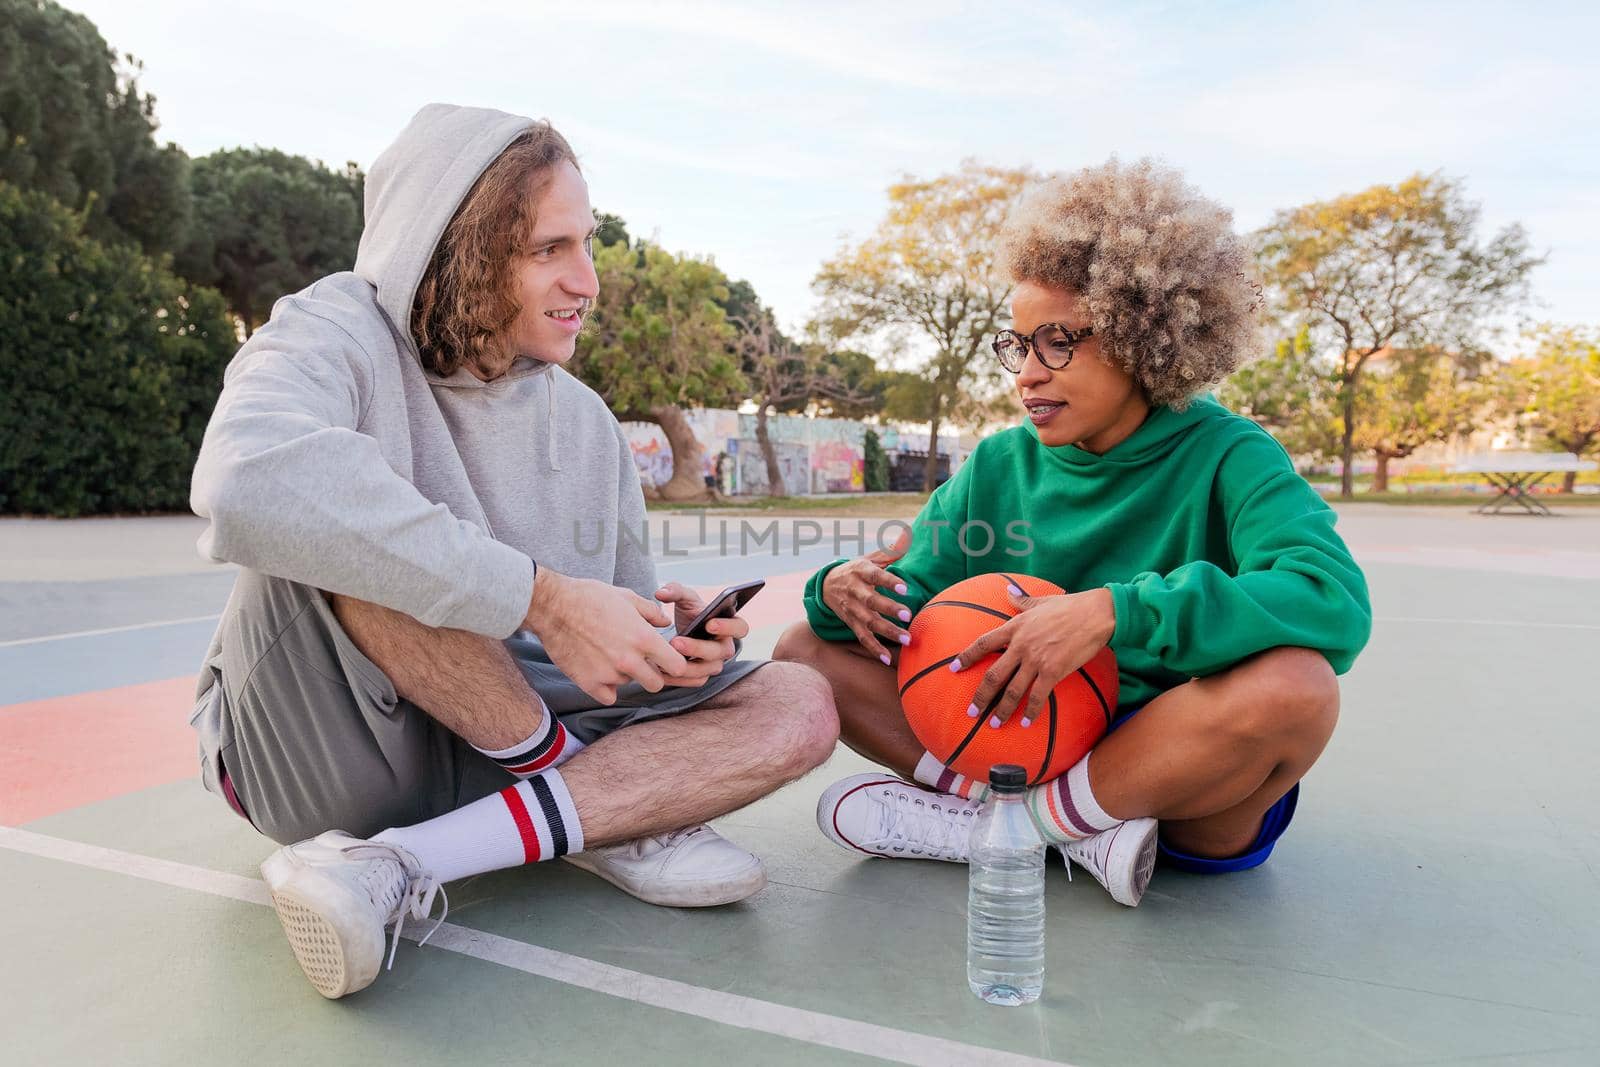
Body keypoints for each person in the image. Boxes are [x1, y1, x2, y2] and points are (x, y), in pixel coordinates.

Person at [188, 104, 838, 998]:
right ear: (456, 247)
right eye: (549, 249)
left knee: (801, 704)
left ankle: (400, 863)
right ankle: (596, 811)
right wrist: (545, 599)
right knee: (358, 532)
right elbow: (244, 480)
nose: (589, 280)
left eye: (590, 243)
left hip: (498, 740)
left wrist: (662, 643)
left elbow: (605, 641)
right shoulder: (335, 328)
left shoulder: (589, 425)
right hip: (320, 748)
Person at [776, 159, 1370, 907]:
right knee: (805, 648)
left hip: (1185, 783)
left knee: (1296, 689)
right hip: (1025, 742)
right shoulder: (999, 464)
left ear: (1142, 337)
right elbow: (905, 596)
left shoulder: (1231, 453)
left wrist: (1113, 611)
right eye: (1017, 345)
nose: (1027, 372)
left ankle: (1007, 827)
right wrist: (839, 594)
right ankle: (1050, 829)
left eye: (1057, 341)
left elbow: (1330, 599)